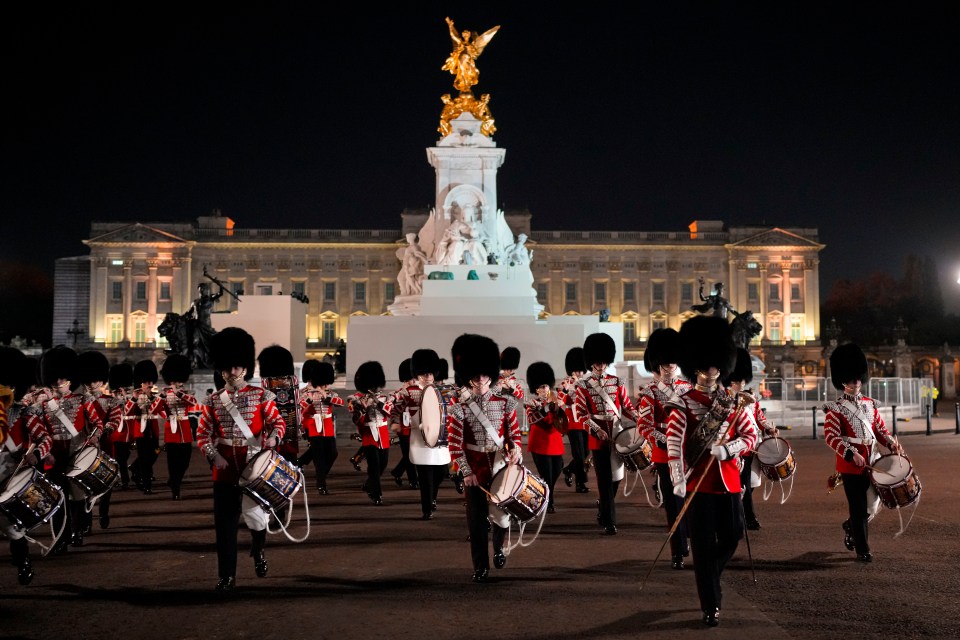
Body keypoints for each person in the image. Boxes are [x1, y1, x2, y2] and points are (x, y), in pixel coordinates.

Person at [665, 315, 758, 627]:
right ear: (697, 366)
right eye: (706, 366)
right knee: (703, 546)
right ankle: (711, 604)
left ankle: (710, 576)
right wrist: (678, 479)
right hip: (697, 484)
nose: (711, 370)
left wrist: (728, 449)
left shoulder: (732, 403)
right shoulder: (683, 402)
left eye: (716, 365)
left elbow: (750, 436)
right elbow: (675, 444)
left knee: (733, 535)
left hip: (729, 481)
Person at [196, 327, 286, 592]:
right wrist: (213, 456)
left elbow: (278, 423)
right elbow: (202, 434)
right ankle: (227, 576)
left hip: (252, 467)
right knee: (224, 526)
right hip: (224, 470)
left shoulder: (261, 397)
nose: (232, 372)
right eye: (228, 368)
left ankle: (258, 550)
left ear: (245, 368)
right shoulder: (212, 401)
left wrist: (273, 440)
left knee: (256, 519)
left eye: (236, 367)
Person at [447, 333, 522, 583]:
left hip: (500, 465)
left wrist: (516, 450)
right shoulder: (459, 409)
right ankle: (481, 566)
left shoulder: (506, 403)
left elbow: (514, 436)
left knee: (502, 515)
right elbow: (455, 446)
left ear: (491, 375)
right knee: (476, 521)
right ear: (468, 377)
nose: (480, 380)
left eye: (484, 375)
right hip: (475, 468)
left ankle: (499, 548)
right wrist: (466, 471)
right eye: (475, 376)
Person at [823, 343, 903, 563]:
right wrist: (850, 454)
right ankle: (863, 548)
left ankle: (850, 526)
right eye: (850, 379)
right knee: (858, 507)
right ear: (843, 381)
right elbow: (831, 437)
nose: (855, 383)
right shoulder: (835, 408)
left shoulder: (870, 405)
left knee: (873, 504)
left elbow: (879, 429)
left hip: (873, 460)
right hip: (850, 465)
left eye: (857, 379)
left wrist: (890, 443)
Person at [637, 328, 691, 569]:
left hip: (688, 453)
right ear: (658, 364)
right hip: (664, 454)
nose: (671, 366)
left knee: (690, 499)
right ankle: (677, 551)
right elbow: (644, 425)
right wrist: (663, 439)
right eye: (667, 362)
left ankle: (687, 537)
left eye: (673, 361)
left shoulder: (687, 387)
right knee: (673, 504)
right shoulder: (651, 392)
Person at [576, 333, 638, 535]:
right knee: (603, 480)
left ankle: (603, 506)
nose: (601, 364)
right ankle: (610, 521)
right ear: (591, 362)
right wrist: (596, 429)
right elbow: (581, 415)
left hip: (617, 433)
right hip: (598, 437)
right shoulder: (583, 386)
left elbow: (626, 407)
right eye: (597, 361)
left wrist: (639, 417)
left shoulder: (617, 382)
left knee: (617, 478)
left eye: (603, 361)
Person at [0, 346, 52, 585]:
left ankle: (22, 561)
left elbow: (45, 439)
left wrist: (35, 456)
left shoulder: (24, 412)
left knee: (13, 528)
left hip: (11, 473)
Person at [722, 348, 778, 531]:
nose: (740, 384)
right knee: (743, 484)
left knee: (752, 484)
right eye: (736, 381)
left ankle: (741, 513)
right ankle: (747, 517)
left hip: (753, 448)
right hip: (737, 449)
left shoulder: (751, 399)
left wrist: (769, 428)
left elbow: (758, 417)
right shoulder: (726, 401)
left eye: (742, 381)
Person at [392, 348, 450, 520]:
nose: (428, 377)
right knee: (425, 476)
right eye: (424, 374)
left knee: (441, 473)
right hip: (419, 437)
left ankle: (432, 498)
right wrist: (395, 422)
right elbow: (396, 408)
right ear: (417, 374)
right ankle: (427, 508)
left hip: (439, 437)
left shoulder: (443, 390)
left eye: (430, 373)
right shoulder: (408, 392)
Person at [76, 350, 117, 531]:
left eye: (96, 380)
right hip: (83, 446)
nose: (93, 384)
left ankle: (104, 512)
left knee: (105, 483)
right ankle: (86, 521)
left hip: (105, 445)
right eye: (90, 380)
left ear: (102, 380)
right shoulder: (78, 400)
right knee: (84, 485)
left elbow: (115, 420)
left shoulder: (111, 401)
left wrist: (105, 430)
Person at [153, 354, 198, 501]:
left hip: (184, 430)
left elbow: (193, 402)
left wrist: (179, 393)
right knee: (172, 461)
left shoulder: (186, 393)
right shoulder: (165, 395)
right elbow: (155, 409)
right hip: (171, 431)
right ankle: (176, 487)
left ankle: (175, 480)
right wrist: (161, 397)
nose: (175, 383)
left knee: (185, 460)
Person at [348, 361, 392, 506]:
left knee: (383, 464)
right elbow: (357, 420)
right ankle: (376, 494)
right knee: (373, 466)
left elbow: (389, 413)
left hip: (383, 435)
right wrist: (364, 410)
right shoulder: (359, 400)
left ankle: (369, 485)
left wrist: (377, 402)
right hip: (369, 435)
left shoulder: (384, 398)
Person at [297, 359, 343, 495]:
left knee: (333, 453)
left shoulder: (329, 392)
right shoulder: (306, 393)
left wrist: (326, 397)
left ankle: (317, 472)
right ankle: (321, 483)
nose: (326, 384)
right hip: (313, 427)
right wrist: (310, 400)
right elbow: (299, 407)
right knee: (318, 456)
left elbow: (340, 402)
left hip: (327, 427)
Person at [525, 361, 564, 514]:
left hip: (555, 442)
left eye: (546, 386)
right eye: (541, 386)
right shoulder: (532, 403)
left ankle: (542, 493)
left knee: (557, 469)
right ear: (536, 389)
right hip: (540, 442)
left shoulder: (554, 402)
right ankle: (549, 502)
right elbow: (531, 420)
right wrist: (546, 408)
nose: (545, 389)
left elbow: (561, 421)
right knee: (547, 475)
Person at [559, 347, 589, 494]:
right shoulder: (566, 384)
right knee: (579, 455)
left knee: (586, 452)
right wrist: (570, 388)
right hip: (573, 423)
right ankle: (580, 483)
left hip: (585, 422)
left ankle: (569, 469)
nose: (580, 373)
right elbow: (562, 400)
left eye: (581, 371)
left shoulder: (587, 382)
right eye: (577, 371)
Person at [441, 17, 500, 93]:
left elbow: (483, 39)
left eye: (467, 35)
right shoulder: (460, 43)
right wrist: (450, 26)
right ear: (462, 35)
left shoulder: (472, 45)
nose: (465, 36)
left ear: (469, 36)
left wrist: (493, 31)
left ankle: (466, 83)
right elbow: (453, 36)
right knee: (462, 71)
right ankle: (464, 83)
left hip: (468, 60)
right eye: (464, 35)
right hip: (461, 59)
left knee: (467, 72)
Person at [130, 360, 161, 495]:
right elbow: (127, 412)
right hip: (141, 432)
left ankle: (135, 467)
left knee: (155, 453)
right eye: (146, 382)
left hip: (153, 431)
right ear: (140, 383)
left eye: (150, 382)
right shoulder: (135, 397)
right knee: (144, 459)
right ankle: (147, 486)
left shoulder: (155, 397)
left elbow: (162, 411)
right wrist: (133, 399)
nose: (149, 385)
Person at [390, 358, 418, 489]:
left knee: (413, 453)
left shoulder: (417, 392)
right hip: (404, 428)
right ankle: (413, 480)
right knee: (409, 455)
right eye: (410, 380)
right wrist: (395, 423)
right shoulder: (399, 393)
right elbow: (394, 410)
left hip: (415, 427)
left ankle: (397, 472)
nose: (413, 382)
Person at [108, 363, 136, 491]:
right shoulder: (111, 400)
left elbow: (128, 408)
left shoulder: (128, 398)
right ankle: (123, 480)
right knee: (118, 459)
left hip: (127, 432)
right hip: (115, 433)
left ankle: (123, 478)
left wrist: (125, 395)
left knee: (122, 458)